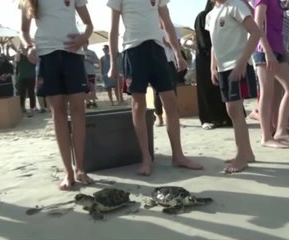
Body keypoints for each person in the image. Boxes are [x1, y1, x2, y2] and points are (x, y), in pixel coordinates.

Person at [107, 0, 203, 175]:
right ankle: (146, 158)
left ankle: (178, 155)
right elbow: (113, 29)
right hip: (133, 50)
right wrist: (113, 63)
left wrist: (178, 53)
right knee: (138, 105)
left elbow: (167, 23)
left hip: (157, 49)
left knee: (171, 102)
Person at [20, 0, 94, 190]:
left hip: (73, 54)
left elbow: (88, 24)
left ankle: (80, 168)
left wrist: (83, 38)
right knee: (58, 113)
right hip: (46, 55)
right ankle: (68, 171)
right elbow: (24, 30)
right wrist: (29, 47)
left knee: (78, 110)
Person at [205, 0, 260, 172]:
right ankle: (247, 152)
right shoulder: (210, 14)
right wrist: (213, 66)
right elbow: (214, 42)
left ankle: (241, 156)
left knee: (235, 110)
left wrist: (243, 62)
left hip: (237, 65)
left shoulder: (236, 5)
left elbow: (256, 32)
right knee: (232, 110)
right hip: (223, 68)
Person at [253, 0, 289, 148]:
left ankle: (280, 131)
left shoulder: (277, 2)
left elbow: (277, 29)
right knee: (267, 92)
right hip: (264, 50)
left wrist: (286, 56)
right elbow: (258, 24)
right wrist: (267, 52)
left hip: (278, 50)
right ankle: (266, 136)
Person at [194, 2, 232, 130]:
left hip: (221, 56)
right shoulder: (203, 16)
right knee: (206, 90)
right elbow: (204, 41)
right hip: (205, 59)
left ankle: (224, 117)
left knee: (221, 89)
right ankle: (207, 119)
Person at [15, 46, 37, 116]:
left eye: (25, 48)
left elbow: (35, 61)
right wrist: (18, 52)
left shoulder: (31, 55)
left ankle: (32, 108)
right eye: (22, 48)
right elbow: (17, 60)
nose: (23, 49)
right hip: (22, 77)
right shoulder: (19, 55)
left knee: (31, 93)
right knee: (22, 94)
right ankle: (22, 108)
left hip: (31, 76)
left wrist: (29, 53)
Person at [83, 40, 99, 108]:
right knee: (85, 89)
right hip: (83, 74)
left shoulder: (92, 52)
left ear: (87, 44)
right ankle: (87, 102)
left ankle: (94, 102)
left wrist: (89, 59)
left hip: (91, 73)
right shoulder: (79, 53)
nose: (83, 45)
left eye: (85, 43)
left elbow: (97, 61)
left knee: (92, 88)